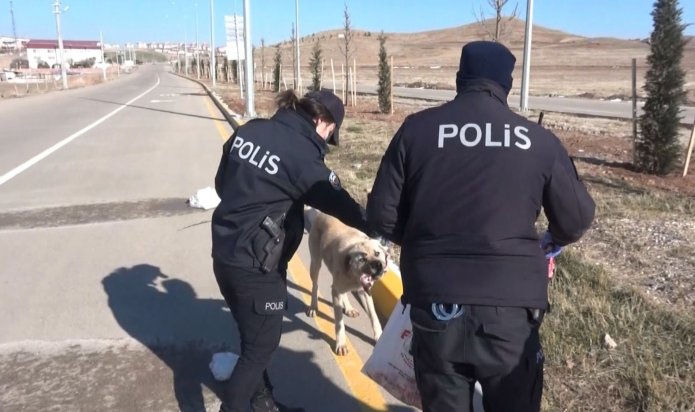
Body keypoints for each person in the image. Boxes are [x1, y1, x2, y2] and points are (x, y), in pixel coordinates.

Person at [366, 41, 596, 411]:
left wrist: (425, 240)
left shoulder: (417, 130)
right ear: (505, 83)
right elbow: (577, 219)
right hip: (511, 313)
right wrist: (552, 239)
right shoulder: (537, 140)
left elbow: (381, 216)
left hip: (435, 306)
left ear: (460, 79)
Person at [211, 89, 370, 412]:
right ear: (321, 120)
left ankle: (263, 404)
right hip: (257, 267)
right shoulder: (301, 156)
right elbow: (346, 208)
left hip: (225, 253)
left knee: (252, 340)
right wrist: (382, 226)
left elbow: (220, 184)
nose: (327, 140)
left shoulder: (250, 130)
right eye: (329, 133)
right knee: (259, 350)